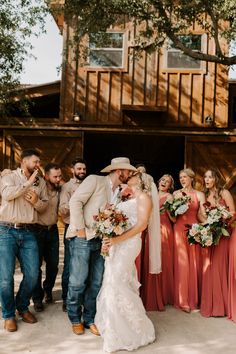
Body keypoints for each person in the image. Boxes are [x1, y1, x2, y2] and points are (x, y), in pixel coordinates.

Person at [66, 157, 137, 336]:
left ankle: (89, 318)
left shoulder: (121, 192)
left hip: (102, 241)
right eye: (128, 171)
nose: (129, 175)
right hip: (84, 237)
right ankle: (75, 318)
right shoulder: (94, 180)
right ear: (119, 170)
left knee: (96, 281)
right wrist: (81, 230)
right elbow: (75, 202)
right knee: (77, 281)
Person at [95, 171, 158, 352]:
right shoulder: (127, 197)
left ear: (141, 180)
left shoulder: (144, 197)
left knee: (118, 283)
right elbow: (116, 222)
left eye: (134, 174)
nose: (129, 175)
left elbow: (141, 225)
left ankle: (135, 331)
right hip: (117, 244)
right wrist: (108, 240)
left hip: (129, 244)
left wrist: (116, 240)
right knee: (111, 281)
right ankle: (113, 326)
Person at [0, 149, 48, 332]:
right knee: (5, 278)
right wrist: (28, 184)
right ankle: (9, 314)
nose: (38, 165)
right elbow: (7, 195)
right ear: (24, 161)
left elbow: (44, 207)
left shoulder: (41, 182)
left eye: (39, 162)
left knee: (33, 274)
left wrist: (36, 201)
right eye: (35, 161)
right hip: (6, 230)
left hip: (28, 231)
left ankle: (21, 306)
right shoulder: (9, 176)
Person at [200, 169, 235, 317]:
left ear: (215, 179)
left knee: (220, 267)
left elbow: (233, 212)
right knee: (212, 268)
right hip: (213, 236)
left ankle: (224, 306)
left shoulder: (224, 193)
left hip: (226, 234)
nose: (207, 180)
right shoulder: (206, 196)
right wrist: (208, 225)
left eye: (210, 177)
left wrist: (221, 223)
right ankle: (216, 306)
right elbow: (200, 215)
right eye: (205, 177)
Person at [173, 168, 205, 313]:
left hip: (194, 230)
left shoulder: (199, 194)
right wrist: (171, 209)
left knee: (193, 263)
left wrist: (212, 224)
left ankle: (194, 299)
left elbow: (202, 215)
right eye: (180, 177)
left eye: (185, 177)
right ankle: (182, 300)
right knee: (182, 264)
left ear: (192, 178)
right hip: (179, 229)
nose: (182, 179)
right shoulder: (176, 194)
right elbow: (173, 217)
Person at [32, 163, 62, 312]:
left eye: (59, 176)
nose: (58, 179)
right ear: (46, 176)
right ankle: (37, 298)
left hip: (53, 230)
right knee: (35, 266)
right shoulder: (37, 188)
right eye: (55, 176)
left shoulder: (60, 190)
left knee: (53, 265)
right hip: (37, 231)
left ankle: (48, 290)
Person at [59, 158, 87, 312]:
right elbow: (62, 209)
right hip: (72, 228)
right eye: (79, 169)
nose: (82, 171)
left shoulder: (89, 185)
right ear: (72, 170)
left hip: (87, 229)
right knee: (70, 266)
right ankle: (66, 298)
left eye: (84, 169)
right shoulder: (67, 187)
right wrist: (76, 202)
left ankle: (80, 298)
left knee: (84, 266)